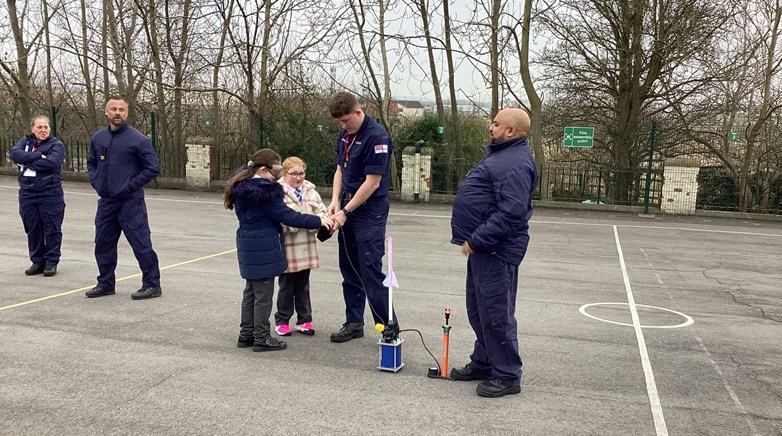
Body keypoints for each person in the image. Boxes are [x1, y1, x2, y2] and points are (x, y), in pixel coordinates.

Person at [449, 107, 538, 398]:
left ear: (511, 131)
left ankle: (508, 375)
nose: (491, 127)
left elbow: (512, 213)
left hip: (495, 251)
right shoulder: (502, 156)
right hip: (483, 250)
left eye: (496, 123)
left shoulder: (514, 163)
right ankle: (485, 361)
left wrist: (477, 239)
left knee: (496, 313)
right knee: (479, 310)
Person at [224, 149, 334, 352]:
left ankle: (246, 334)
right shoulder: (266, 193)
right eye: (276, 169)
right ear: (264, 169)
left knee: (251, 292)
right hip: (265, 245)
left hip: (247, 242)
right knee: (264, 295)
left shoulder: (242, 186)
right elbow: (289, 216)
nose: (277, 173)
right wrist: (319, 220)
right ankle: (262, 337)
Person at [326, 91, 397, 343]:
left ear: (358, 111)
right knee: (349, 269)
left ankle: (388, 326)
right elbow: (340, 170)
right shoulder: (345, 135)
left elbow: (373, 183)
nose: (344, 126)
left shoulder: (377, 137)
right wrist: (335, 201)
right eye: (340, 123)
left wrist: (345, 212)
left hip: (369, 212)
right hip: (346, 207)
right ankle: (354, 322)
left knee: (370, 270)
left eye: (346, 121)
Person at [84, 96, 162, 300]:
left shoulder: (138, 140)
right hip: (106, 202)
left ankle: (152, 284)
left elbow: (152, 168)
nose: (117, 113)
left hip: (131, 202)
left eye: (121, 110)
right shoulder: (98, 138)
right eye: (113, 109)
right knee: (103, 243)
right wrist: (96, 181)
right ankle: (105, 283)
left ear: (126, 113)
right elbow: (91, 163)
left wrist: (130, 186)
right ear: (106, 112)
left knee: (141, 244)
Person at [274, 157, 328, 337]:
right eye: (294, 174)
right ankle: (282, 321)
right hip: (288, 247)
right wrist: (304, 222)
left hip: (306, 246)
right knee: (286, 286)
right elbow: (279, 220)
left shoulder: (311, 191)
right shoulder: (277, 193)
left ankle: (304, 320)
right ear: (284, 174)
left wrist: (316, 222)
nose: (298, 178)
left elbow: (322, 213)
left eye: (301, 173)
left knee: (303, 286)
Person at [10, 116, 66, 277]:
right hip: (27, 193)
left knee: (52, 228)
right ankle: (37, 261)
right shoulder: (25, 142)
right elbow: (15, 155)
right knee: (32, 227)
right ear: (33, 128)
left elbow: (52, 163)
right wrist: (37, 156)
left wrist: (26, 161)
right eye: (39, 127)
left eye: (46, 127)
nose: (43, 130)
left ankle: (51, 261)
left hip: (49, 193)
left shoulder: (56, 145)